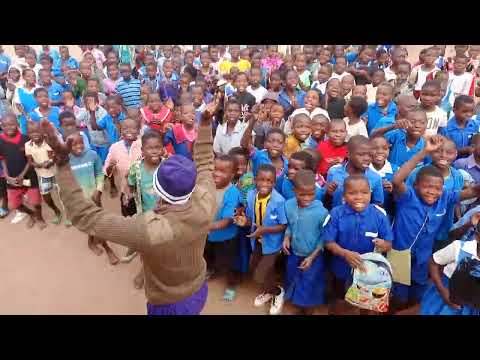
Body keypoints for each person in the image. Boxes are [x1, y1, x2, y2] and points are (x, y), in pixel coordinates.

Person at [42, 100, 218, 315]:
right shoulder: (206, 200)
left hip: (168, 303)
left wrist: (62, 163)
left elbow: (84, 216)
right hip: (199, 290)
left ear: (156, 189)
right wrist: (206, 123)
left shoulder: (148, 229)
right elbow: (206, 164)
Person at [390, 135, 480, 312]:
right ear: (416, 186)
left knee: (418, 291)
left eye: (437, 188)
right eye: (427, 187)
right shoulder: (408, 197)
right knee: (398, 293)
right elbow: (396, 180)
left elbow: (472, 191)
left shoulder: (445, 197)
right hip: (399, 252)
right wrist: (424, 152)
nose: (432, 192)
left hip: (424, 255)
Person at [324, 175, 393, 315]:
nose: (358, 197)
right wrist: (345, 254)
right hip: (341, 269)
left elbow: (389, 244)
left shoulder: (379, 214)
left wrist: (383, 244)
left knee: (368, 304)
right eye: (352, 193)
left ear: (370, 193)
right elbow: (328, 242)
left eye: (364, 192)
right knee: (342, 301)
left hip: (369, 274)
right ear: (344, 195)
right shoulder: (336, 213)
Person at [233, 164, 288, 315]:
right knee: (258, 267)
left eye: (269, 181)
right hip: (256, 240)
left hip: (272, 243)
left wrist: (265, 230)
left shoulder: (279, 201)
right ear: (255, 180)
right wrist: (246, 223)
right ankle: (269, 291)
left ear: (274, 183)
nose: (265, 184)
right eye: (261, 180)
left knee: (260, 273)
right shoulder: (251, 196)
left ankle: (277, 292)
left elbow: (283, 225)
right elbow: (252, 220)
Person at [67, 132, 119, 265]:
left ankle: (93, 242)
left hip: (94, 197)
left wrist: (99, 190)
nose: (79, 146)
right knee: (92, 223)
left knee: (96, 223)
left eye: (81, 143)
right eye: (74, 144)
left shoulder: (92, 155)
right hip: (79, 201)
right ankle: (107, 249)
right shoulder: (66, 161)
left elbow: (99, 174)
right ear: (67, 146)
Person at [283, 169, 329, 315]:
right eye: (302, 194)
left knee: (310, 282)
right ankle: (299, 303)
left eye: (311, 194)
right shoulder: (289, 205)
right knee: (294, 276)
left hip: (313, 255)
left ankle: (307, 309)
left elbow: (325, 236)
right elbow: (290, 224)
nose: (307, 198)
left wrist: (312, 256)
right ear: (294, 190)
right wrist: (286, 236)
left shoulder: (321, 212)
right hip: (295, 251)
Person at [406, 137, 464, 251]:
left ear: (456, 154)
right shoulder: (418, 172)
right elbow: (407, 197)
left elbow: (456, 200)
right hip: (416, 226)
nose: (443, 155)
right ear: (431, 152)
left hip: (443, 226)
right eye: (438, 151)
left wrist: (458, 217)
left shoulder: (457, 176)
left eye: (449, 152)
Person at [420, 216, 480, 315]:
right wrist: (442, 291)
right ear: (477, 236)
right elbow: (433, 262)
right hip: (444, 301)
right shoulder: (459, 247)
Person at [205, 154, 243, 301]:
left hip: (225, 238)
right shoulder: (208, 186)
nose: (217, 173)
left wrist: (203, 227)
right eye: (215, 169)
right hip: (209, 235)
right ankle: (211, 270)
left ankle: (231, 285)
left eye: (222, 171)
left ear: (232, 174)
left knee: (228, 263)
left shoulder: (232, 193)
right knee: (208, 254)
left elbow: (227, 221)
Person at [0, 114, 42, 228]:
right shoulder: (0, 141)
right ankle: (31, 214)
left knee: (36, 202)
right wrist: (7, 176)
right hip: (12, 178)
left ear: (17, 125)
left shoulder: (25, 138)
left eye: (12, 124)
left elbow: (30, 159)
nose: (9, 127)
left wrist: (23, 174)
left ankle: (39, 217)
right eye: (5, 125)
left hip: (28, 175)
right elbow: (2, 160)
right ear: (1, 126)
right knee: (14, 204)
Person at [325, 135, 384, 208]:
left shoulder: (375, 178)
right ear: (348, 154)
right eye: (361, 154)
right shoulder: (333, 172)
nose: (367, 158)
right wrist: (328, 194)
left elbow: (378, 207)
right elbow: (326, 203)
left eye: (370, 155)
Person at [240, 107, 288, 188]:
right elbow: (244, 144)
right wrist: (252, 123)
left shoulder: (286, 164)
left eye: (279, 142)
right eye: (271, 141)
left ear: (284, 146)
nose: (275, 145)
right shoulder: (259, 155)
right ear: (265, 144)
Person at [25, 122, 62, 227]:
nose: (35, 134)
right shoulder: (28, 145)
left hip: (55, 173)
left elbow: (54, 157)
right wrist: (38, 165)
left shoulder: (48, 142)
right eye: (31, 132)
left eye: (37, 131)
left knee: (62, 195)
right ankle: (56, 211)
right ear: (28, 133)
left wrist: (50, 162)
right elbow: (30, 161)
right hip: (43, 175)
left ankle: (69, 214)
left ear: (42, 131)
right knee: (46, 197)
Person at [369, 135, 399, 218]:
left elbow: (402, 196)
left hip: (388, 215)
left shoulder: (395, 170)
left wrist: (393, 191)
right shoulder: (364, 170)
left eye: (385, 148)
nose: (380, 151)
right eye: (375, 148)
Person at [76, 91, 110, 164]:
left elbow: (96, 126)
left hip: (104, 143)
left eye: (92, 102)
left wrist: (92, 112)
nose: (90, 104)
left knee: (103, 162)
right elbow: (76, 122)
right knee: (95, 162)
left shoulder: (102, 112)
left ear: (97, 102)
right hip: (93, 143)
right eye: (87, 103)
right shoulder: (84, 111)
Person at [13, 68, 39, 134]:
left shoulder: (39, 88)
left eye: (33, 76)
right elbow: (18, 104)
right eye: (29, 76)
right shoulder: (19, 89)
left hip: (38, 117)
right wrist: (26, 116)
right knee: (26, 136)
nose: (32, 78)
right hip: (25, 117)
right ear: (24, 77)